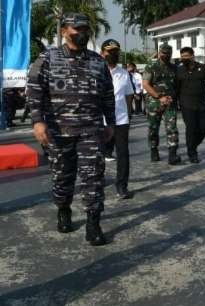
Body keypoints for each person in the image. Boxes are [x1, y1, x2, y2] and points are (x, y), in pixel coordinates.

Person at [26, 13, 114, 246]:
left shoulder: (97, 61)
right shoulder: (48, 58)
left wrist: (110, 122)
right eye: (77, 29)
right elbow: (34, 90)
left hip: (90, 130)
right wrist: (38, 121)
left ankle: (93, 223)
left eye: (85, 29)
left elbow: (107, 95)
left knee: (94, 177)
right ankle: (64, 209)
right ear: (64, 31)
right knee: (62, 177)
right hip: (58, 131)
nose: (82, 33)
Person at [101, 40, 135, 199]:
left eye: (115, 52)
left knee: (123, 154)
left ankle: (122, 186)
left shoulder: (124, 73)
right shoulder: (96, 72)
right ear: (102, 53)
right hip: (100, 120)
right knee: (97, 154)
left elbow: (129, 95)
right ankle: (96, 182)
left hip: (121, 120)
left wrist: (128, 115)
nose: (112, 54)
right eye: (109, 51)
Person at [177, 47, 205, 164]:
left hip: (201, 103)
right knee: (191, 129)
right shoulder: (179, 70)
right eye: (182, 56)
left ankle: (192, 145)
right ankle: (192, 153)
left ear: (192, 56)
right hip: (186, 104)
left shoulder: (203, 68)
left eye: (186, 56)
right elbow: (176, 88)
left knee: (204, 127)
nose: (184, 58)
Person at [142, 44, 181, 165]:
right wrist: (159, 97)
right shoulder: (151, 66)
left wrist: (172, 97)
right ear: (159, 53)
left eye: (168, 53)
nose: (166, 55)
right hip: (154, 103)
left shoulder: (175, 68)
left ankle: (172, 155)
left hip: (170, 103)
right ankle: (154, 150)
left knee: (172, 128)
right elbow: (146, 84)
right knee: (153, 128)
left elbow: (177, 85)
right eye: (163, 53)